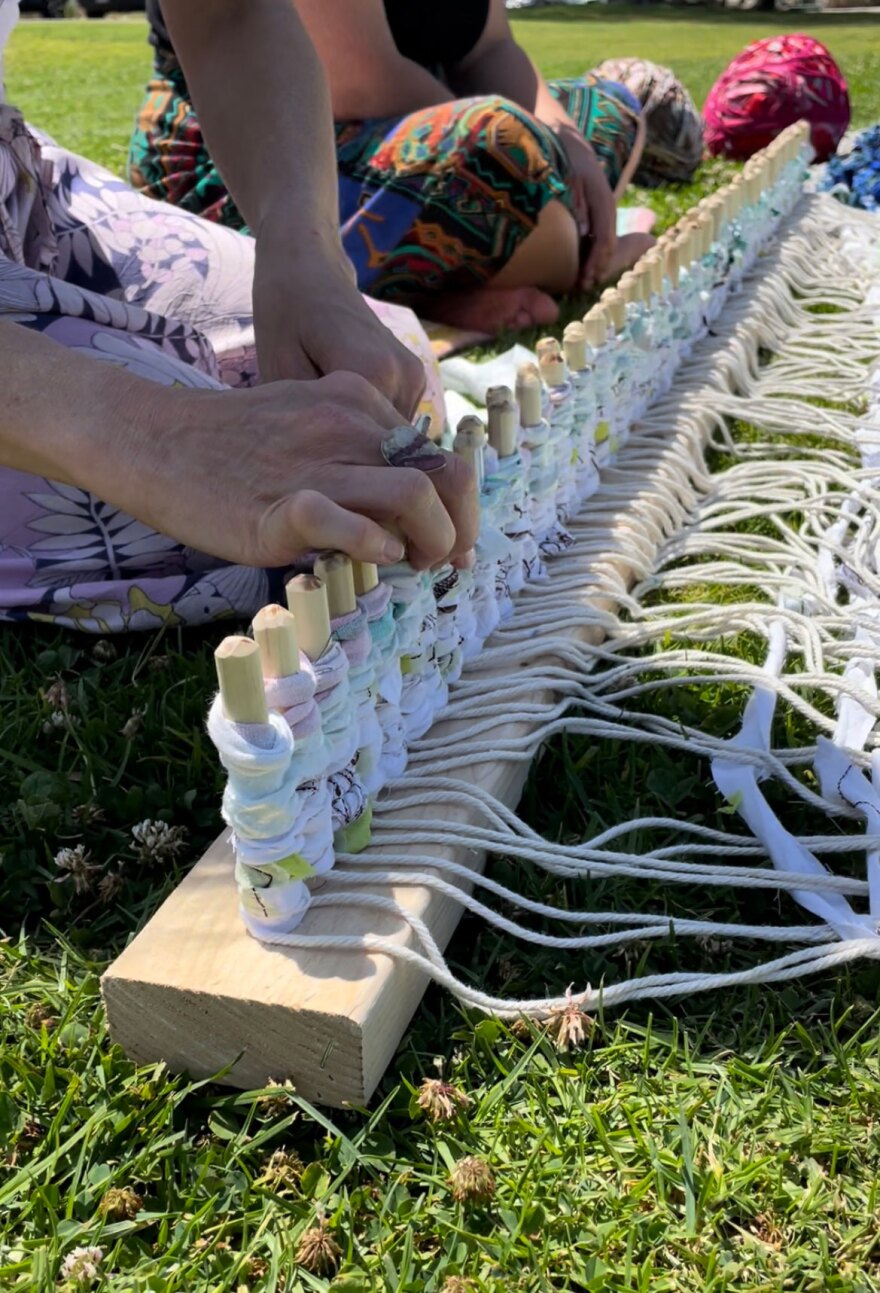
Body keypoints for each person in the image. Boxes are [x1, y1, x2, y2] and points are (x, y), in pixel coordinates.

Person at [0, 0, 477, 633]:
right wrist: (159, 440)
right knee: (274, 528)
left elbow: (232, 15)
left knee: (374, 387)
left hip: (23, 186)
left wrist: (306, 256)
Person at [129, 0, 655, 336]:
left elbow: (491, 46)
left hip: (414, 123)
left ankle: (480, 270)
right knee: (502, 147)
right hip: (266, 146)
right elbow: (358, 80)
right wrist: (531, 157)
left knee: (608, 111)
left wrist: (572, 155)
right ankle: (581, 258)